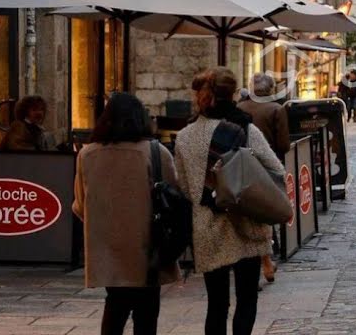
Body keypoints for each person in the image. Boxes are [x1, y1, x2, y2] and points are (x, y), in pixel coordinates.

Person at [174, 68, 285, 335]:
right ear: (234, 93)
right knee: (247, 298)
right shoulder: (246, 130)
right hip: (245, 221)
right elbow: (276, 169)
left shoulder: (184, 136)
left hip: (207, 225)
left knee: (216, 303)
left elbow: (185, 187)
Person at [73, 93, 178, 335]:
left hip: (107, 246)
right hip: (147, 245)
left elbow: (80, 204)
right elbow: (173, 198)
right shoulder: (155, 152)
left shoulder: (87, 154)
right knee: (147, 310)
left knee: (115, 305)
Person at [237, 73, 291, 284]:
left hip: (242, 167)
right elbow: (284, 144)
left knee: (249, 214)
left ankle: (263, 259)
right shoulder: (276, 109)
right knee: (265, 215)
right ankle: (266, 260)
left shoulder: (240, 109)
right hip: (267, 168)